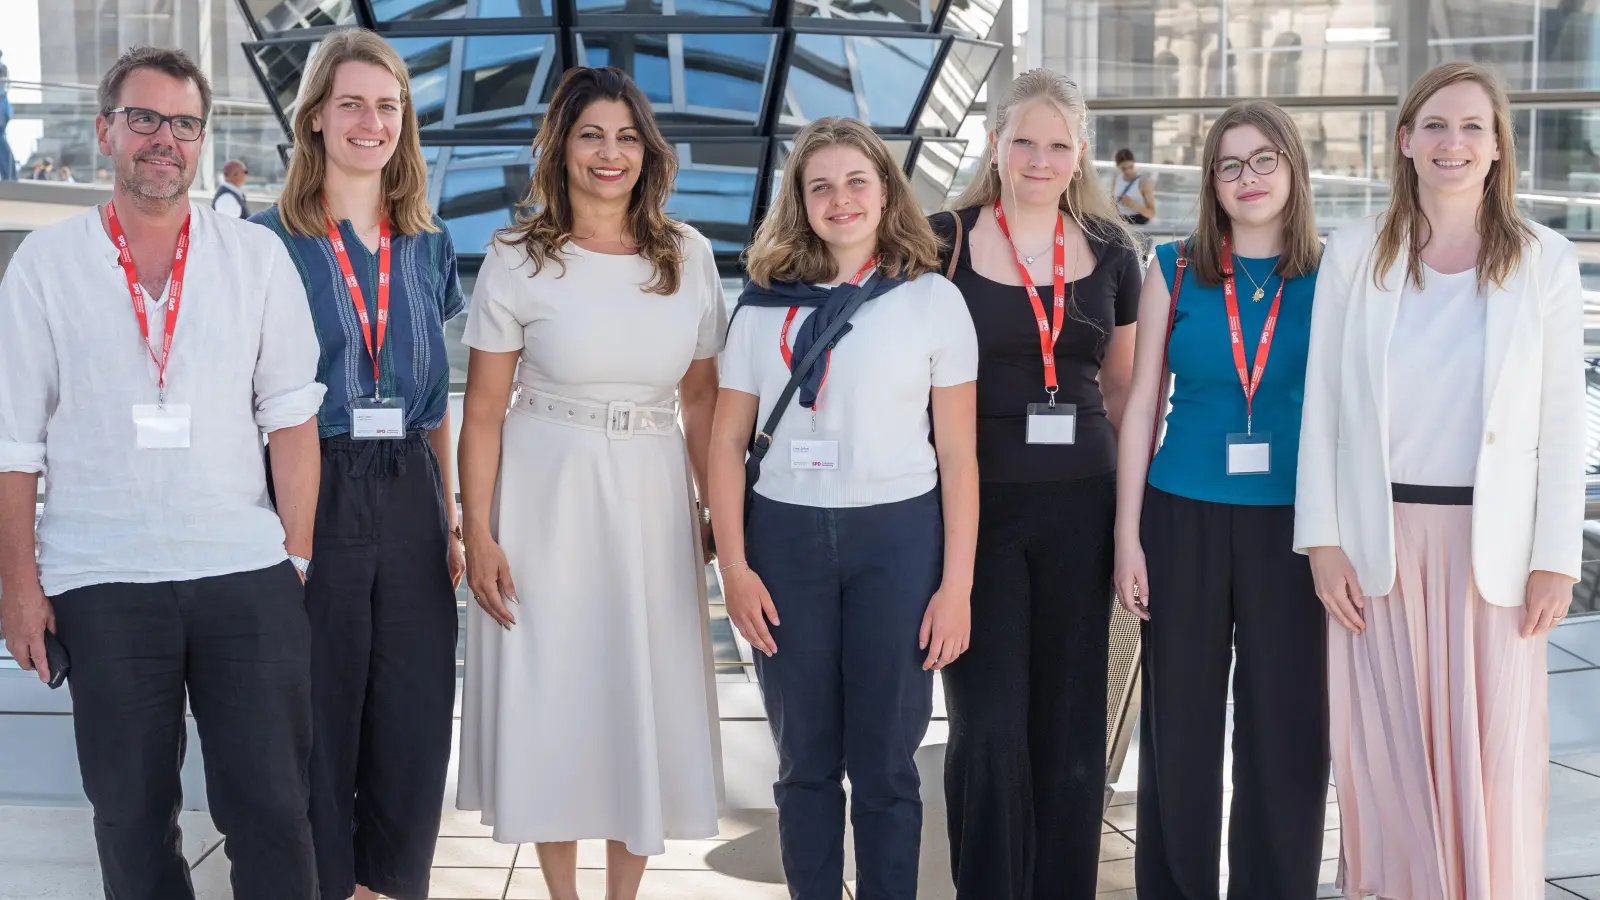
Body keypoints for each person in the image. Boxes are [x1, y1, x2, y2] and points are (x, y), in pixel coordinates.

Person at [0, 47, 323, 900]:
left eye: (183, 124)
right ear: (106, 131)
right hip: (101, 580)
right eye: (143, 118)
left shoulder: (255, 260)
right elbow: (12, 444)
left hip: (243, 575)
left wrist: (294, 562)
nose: (163, 140)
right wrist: (19, 587)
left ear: (201, 141)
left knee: (271, 812)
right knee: (131, 819)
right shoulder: (45, 264)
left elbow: (292, 420)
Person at [1296, 61, 1583, 900]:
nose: (1452, 143)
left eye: (1471, 128)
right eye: (1435, 126)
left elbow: (1565, 425)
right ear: (1405, 142)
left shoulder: (1544, 262)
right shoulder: (1355, 254)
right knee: (1385, 770)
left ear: (1498, 148)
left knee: (1494, 775)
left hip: (1492, 559)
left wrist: (1556, 558)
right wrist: (1321, 542)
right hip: (1379, 548)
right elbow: (1326, 409)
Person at [455, 65, 725, 900]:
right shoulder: (515, 256)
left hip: (649, 498)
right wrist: (481, 531)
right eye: (590, 135)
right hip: (544, 499)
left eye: (626, 136)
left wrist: (720, 513)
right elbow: (486, 412)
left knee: (638, 691)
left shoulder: (689, 255)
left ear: (648, 151)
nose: (610, 153)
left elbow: (704, 398)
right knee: (556, 697)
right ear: (560, 148)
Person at [708, 116, 980, 900]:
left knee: (889, 765)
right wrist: (735, 569)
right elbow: (727, 445)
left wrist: (955, 586)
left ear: (888, 191)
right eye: (819, 185)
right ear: (798, 200)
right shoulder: (759, 307)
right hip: (784, 542)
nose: (841, 199)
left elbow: (959, 455)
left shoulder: (932, 302)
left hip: (897, 541)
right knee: (804, 765)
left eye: (857, 181)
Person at [251, 28, 464, 900]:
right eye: (351, 105)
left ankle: (393, 885)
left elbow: (439, 396)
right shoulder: (268, 244)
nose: (370, 123)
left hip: (411, 486)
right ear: (314, 121)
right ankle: (327, 885)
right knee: (319, 707)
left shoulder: (428, 240)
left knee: (412, 709)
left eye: (387, 106)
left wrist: (451, 516)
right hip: (316, 481)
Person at [929, 69, 1141, 900]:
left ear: (1079, 152)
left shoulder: (1112, 250)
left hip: (1082, 509)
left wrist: (1129, 525)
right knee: (986, 727)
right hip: (975, 510)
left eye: (1058, 144)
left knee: (1068, 726)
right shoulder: (942, 240)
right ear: (995, 145)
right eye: (1024, 140)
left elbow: (1121, 392)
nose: (1040, 158)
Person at [1113, 100, 1328, 899]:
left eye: (1265, 159)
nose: (1249, 178)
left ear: (1293, 168)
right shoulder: (1172, 267)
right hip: (1182, 516)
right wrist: (1127, 538)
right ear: (1212, 180)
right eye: (1231, 164)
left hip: (1297, 528)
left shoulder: (1333, 273)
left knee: (1287, 727)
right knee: (1182, 729)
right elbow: (1140, 406)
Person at [1113, 148, 1156, 226]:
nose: (1128, 171)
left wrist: (1133, 204)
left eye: (1130, 167)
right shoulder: (1117, 180)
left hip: (1139, 223)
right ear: (1118, 167)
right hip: (1121, 222)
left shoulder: (1143, 182)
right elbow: (1112, 203)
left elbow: (1152, 213)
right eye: (1124, 168)